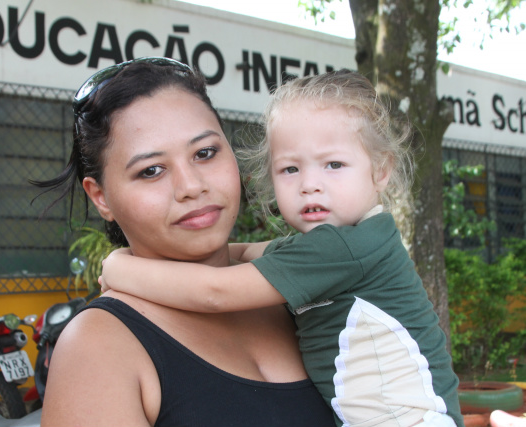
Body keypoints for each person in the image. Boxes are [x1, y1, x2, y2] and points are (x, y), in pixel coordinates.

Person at [99, 70, 465, 427]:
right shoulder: (326, 249)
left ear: (381, 170)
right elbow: (243, 254)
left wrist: (118, 266)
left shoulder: (344, 248)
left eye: (333, 164)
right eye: (290, 169)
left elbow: (215, 291)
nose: (309, 185)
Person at [34, 57, 337, 427]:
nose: (191, 186)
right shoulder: (98, 346)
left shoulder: (297, 290)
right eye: (151, 171)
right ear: (100, 197)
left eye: (205, 153)